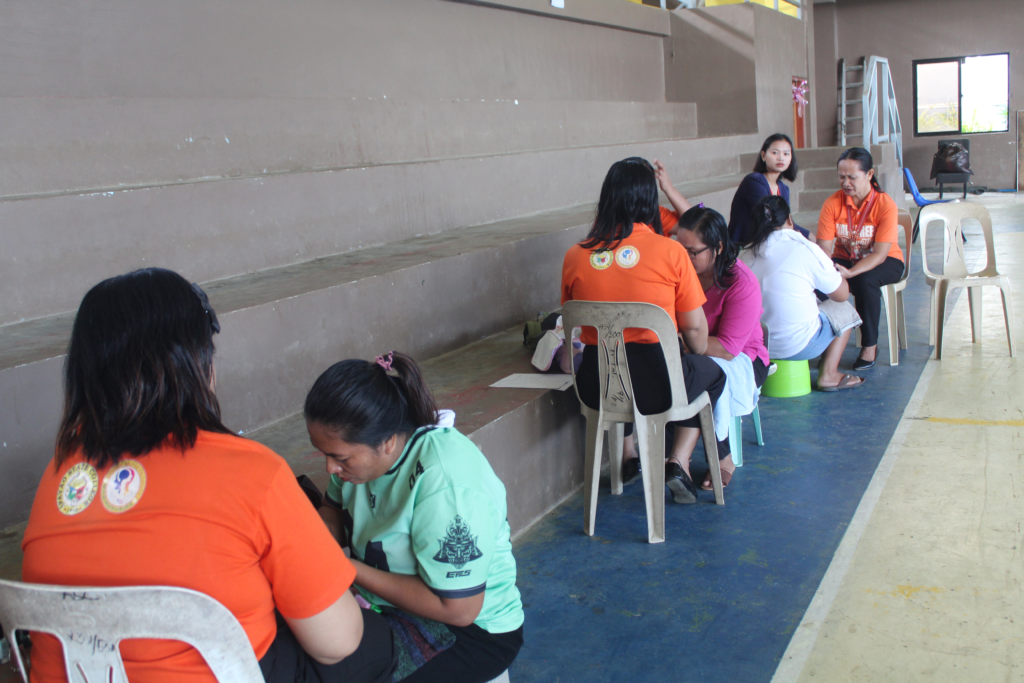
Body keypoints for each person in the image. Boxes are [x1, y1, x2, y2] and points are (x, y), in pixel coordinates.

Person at [20, 268, 397, 683]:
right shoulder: (252, 472)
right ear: (196, 364)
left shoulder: (59, 474)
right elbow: (337, 642)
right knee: (373, 641)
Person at [307, 352, 524, 683]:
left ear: (387, 442)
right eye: (325, 455)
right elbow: (333, 509)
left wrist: (345, 569)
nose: (330, 468)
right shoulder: (357, 462)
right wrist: (316, 540)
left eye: (340, 458)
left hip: (473, 631)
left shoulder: (445, 486)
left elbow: (460, 609)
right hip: (390, 605)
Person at [561, 156, 728, 505]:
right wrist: (694, 347)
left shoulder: (575, 256)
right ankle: (677, 461)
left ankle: (628, 456)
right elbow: (695, 330)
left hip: (597, 387)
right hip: (659, 387)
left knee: (617, 363)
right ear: (650, 201)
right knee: (712, 375)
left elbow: (572, 319)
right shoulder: (671, 252)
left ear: (606, 198)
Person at [675, 206, 769, 490]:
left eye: (693, 252)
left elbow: (728, 348)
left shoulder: (742, 283)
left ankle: (722, 458)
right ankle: (677, 458)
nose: (685, 258)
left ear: (717, 248)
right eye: (680, 249)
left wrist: (683, 343)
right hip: (694, 349)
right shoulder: (682, 272)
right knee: (678, 370)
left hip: (743, 357)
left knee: (699, 374)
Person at [741, 196, 865, 391]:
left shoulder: (745, 254)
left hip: (754, 346)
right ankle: (829, 374)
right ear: (790, 220)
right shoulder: (805, 249)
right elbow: (841, 295)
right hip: (799, 346)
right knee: (843, 309)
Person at [816, 147, 905, 370]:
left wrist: (851, 273)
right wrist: (828, 267)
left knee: (865, 282)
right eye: (841, 177)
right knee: (818, 281)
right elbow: (824, 247)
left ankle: (869, 346)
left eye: (852, 177)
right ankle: (819, 342)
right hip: (845, 259)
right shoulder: (832, 203)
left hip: (886, 261)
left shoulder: (885, 205)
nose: (846, 183)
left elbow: (880, 253)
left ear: (869, 174)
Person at [728, 133, 809, 245]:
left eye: (786, 154)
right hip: (744, 247)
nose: (781, 158)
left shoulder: (784, 189)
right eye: (775, 153)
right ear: (763, 155)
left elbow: (787, 221)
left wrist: (810, 237)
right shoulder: (754, 181)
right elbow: (771, 218)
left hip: (767, 244)